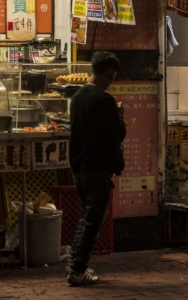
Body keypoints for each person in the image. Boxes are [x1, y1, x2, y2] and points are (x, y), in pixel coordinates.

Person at [67, 51, 126, 286]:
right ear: (109, 73)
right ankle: (77, 271)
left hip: (79, 169)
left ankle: (75, 264)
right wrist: (119, 115)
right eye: (112, 77)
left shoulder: (77, 97)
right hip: (97, 169)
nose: (111, 82)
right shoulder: (105, 100)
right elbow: (118, 134)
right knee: (92, 223)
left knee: (86, 219)